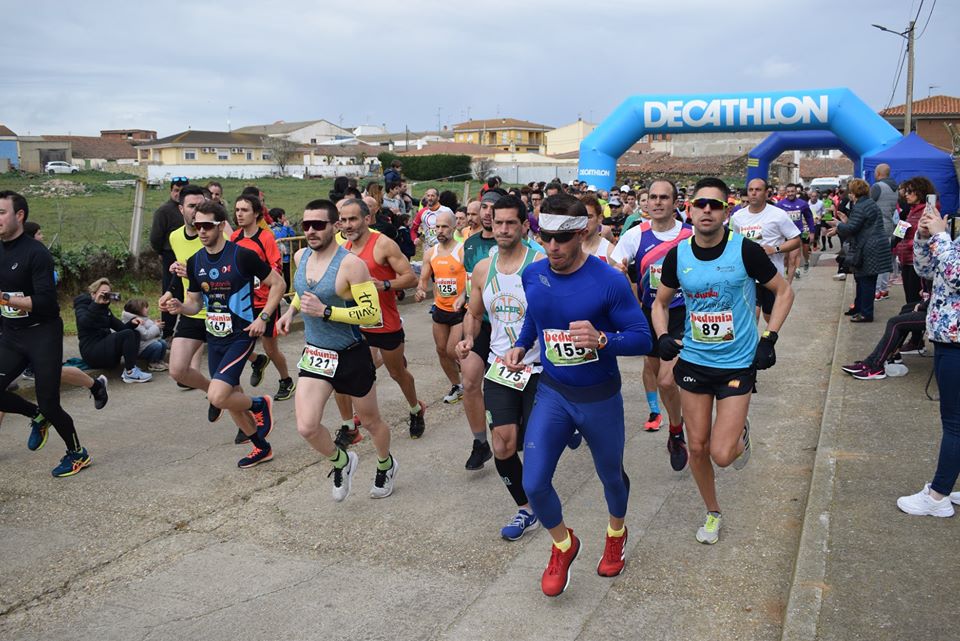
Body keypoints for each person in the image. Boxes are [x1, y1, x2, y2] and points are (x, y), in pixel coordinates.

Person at [505, 193, 653, 597]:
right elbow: (537, 315)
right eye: (545, 237)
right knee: (534, 483)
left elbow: (643, 338)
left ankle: (616, 533)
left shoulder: (609, 281)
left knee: (611, 476)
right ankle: (563, 544)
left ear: (582, 233)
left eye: (562, 238)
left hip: (599, 398)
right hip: (554, 393)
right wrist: (521, 344)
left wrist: (603, 338)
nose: (552, 247)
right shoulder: (534, 274)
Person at [653, 177, 794, 546]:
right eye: (700, 204)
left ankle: (739, 435)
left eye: (714, 205)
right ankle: (713, 511)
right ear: (689, 210)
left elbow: (783, 292)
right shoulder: (678, 255)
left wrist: (770, 337)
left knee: (722, 454)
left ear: (725, 211)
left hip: (736, 363)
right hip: (694, 362)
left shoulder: (745, 250)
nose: (707, 211)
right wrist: (663, 335)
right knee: (697, 447)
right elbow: (660, 303)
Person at [277, 199, 398, 501]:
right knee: (307, 427)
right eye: (306, 225)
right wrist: (290, 312)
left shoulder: (351, 265)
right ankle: (342, 461)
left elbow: (372, 314)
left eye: (318, 225)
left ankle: (386, 463)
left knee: (370, 422)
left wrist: (327, 312)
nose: (311, 230)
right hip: (317, 354)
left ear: (335, 226)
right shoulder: (301, 255)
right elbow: (305, 293)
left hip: (350, 354)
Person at [160, 200, 286, 469]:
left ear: (220, 226)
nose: (201, 231)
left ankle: (259, 404)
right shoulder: (196, 261)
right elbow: (195, 303)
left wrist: (263, 318)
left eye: (207, 225)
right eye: (197, 226)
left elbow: (278, 284)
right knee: (230, 398)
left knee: (217, 396)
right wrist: (181, 307)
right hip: (214, 336)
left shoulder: (242, 255)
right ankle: (261, 448)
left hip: (241, 335)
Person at [457, 194, 545, 540]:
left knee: (536, 446)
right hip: (500, 368)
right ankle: (526, 508)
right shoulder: (483, 268)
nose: (504, 229)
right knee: (503, 445)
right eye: (498, 222)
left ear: (524, 226)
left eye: (511, 223)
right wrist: (468, 338)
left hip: (541, 369)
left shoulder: (540, 263)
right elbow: (474, 313)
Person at [0, 191, 91, 476]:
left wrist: (6, 298)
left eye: (1, 212)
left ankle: (77, 453)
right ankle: (35, 415)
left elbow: (46, 302)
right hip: (12, 334)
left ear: (19, 216)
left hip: (43, 334)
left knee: (50, 403)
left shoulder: (36, 253)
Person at [610, 179, 693, 468]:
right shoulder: (636, 234)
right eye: (653, 197)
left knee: (667, 380)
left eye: (664, 198)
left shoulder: (690, 235)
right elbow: (614, 264)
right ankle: (676, 427)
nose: (657, 202)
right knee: (660, 378)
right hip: (652, 312)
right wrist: (620, 270)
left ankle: (678, 430)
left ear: (675, 202)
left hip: (685, 314)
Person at [339, 198, 425, 441]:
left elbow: (411, 278)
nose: (348, 225)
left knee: (397, 373)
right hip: (357, 323)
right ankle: (356, 423)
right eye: (343, 220)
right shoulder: (342, 250)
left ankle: (415, 408)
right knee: (356, 372)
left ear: (367, 219)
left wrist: (384, 284)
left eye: (353, 219)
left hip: (385, 322)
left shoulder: (383, 244)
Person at [896, 205, 960, 516]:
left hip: (955, 341)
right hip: (949, 336)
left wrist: (940, 237)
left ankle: (937, 497)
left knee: (955, 422)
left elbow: (956, 275)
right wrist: (924, 238)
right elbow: (927, 271)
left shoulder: (947, 239)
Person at [230, 194, 295, 407]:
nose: (239, 214)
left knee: (270, 348)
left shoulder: (265, 237)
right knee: (235, 342)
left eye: (244, 210)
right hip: (242, 301)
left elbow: (276, 266)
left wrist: (260, 278)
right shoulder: (235, 237)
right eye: (237, 210)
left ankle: (286, 380)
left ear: (256, 213)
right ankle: (254, 364)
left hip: (265, 301)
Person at [729, 178, 801, 323]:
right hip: (748, 276)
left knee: (769, 318)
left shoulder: (778, 215)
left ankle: (769, 337)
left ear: (767, 193)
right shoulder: (737, 217)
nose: (753, 193)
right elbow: (733, 242)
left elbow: (796, 240)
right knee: (752, 315)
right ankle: (752, 339)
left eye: (758, 190)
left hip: (772, 276)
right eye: (751, 190)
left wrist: (775, 249)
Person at [824, 179, 893, 323]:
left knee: (866, 281)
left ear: (853, 193)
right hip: (872, 246)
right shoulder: (867, 203)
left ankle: (866, 313)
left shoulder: (861, 206)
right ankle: (859, 307)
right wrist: (845, 222)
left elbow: (852, 228)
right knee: (862, 279)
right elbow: (859, 225)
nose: (849, 194)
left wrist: (839, 226)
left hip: (869, 247)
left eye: (850, 191)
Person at [415, 210, 466, 405]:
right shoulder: (431, 253)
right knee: (441, 350)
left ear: (453, 228)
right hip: (440, 308)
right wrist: (420, 290)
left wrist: (463, 295)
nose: (440, 230)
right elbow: (424, 279)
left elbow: (472, 278)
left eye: (444, 226)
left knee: (453, 350)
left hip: (460, 310)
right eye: (437, 227)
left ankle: (471, 376)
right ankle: (457, 385)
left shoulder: (462, 251)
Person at [75, 278, 153, 383]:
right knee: (128, 334)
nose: (106, 295)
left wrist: (132, 323)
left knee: (134, 333)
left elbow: (121, 328)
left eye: (108, 293)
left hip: (105, 350)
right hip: (92, 352)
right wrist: (96, 304)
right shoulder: (82, 306)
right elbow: (83, 323)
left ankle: (131, 367)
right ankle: (130, 373)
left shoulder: (105, 310)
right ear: (93, 294)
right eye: (103, 293)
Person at [149, 177, 189, 340]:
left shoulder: (191, 210)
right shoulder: (164, 211)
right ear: (171, 191)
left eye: (182, 191)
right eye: (176, 190)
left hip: (189, 255)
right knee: (170, 291)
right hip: (170, 255)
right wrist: (162, 252)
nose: (178, 194)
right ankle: (167, 333)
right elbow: (155, 237)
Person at [870, 164, 899, 301]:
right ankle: (884, 289)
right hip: (890, 226)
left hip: (877, 227)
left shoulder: (877, 187)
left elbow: (869, 206)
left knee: (876, 260)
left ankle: (876, 291)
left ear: (878, 173)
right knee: (886, 260)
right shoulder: (895, 188)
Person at [777, 184, 816, 281]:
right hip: (784, 235)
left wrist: (812, 232)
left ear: (796, 192)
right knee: (785, 259)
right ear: (786, 192)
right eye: (788, 191)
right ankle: (786, 274)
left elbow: (809, 218)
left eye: (792, 191)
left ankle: (788, 284)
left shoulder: (803, 204)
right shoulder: (780, 205)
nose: (790, 193)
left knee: (792, 259)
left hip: (796, 235)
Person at [121, 298, 168, 371]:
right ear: (137, 309)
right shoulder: (134, 321)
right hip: (139, 349)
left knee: (163, 342)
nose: (148, 309)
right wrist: (156, 327)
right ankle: (153, 363)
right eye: (145, 307)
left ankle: (159, 360)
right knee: (157, 345)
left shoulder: (144, 318)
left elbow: (152, 331)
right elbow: (145, 335)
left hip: (146, 344)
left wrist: (157, 326)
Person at [269, 207, 297, 290]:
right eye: (283, 216)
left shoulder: (285, 227)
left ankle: (286, 294)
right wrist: (285, 227)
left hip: (286, 258)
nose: (285, 217)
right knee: (278, 279)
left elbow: (293, 235)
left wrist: (288, 227)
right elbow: (280, 237)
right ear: (278, 218)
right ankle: (278, 295)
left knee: (288, 278)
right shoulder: (272, 228)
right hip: (277, 259)